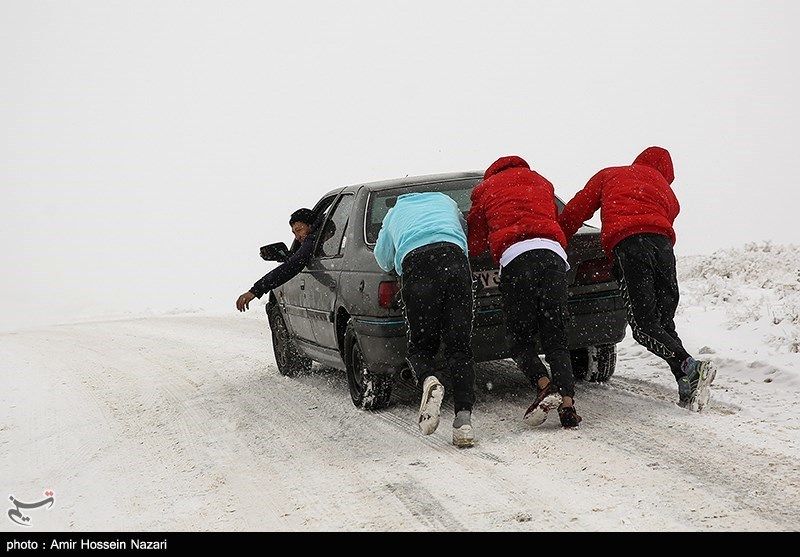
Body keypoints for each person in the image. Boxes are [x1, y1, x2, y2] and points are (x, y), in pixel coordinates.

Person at [558, 146, 716, 411]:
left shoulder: (610, 175)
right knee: (663, 323)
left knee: (644, 327)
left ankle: (690, 366)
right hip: (664, 248)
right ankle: (686, 381)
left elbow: (578, 209)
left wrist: (558, 238)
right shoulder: (666, 191)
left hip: (630, 245)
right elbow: (667, 217)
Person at [468, 155, 581, 428]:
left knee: (520, 337)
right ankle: (567, 405)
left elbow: (475, 241)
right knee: (556, 334)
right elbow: (553, 217)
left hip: (517, 260)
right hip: (553, 257)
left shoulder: (485, 189)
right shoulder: (541, 181)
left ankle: (544, 385)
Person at [374, 192, 476, 448]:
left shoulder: (394, 213)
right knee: (459, 347)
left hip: (416, 264)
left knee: (421, 345)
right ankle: (463, 423)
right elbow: (464, 234)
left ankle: (429, 379)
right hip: (454, 260)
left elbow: (383, 258)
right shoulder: (447, 203)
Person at [236, 208, 318, 311]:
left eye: (299, 230)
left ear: (311, 225)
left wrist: (256, 290)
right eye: (294, 233)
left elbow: (293, 264)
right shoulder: (325, 239)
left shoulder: (313, 240)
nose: (297, 237)